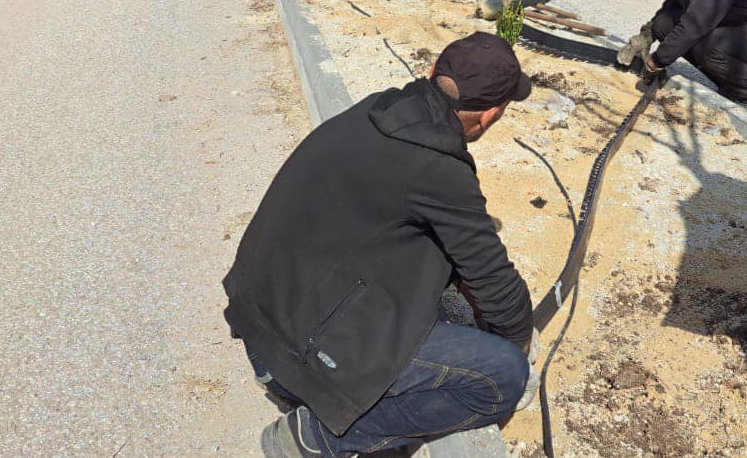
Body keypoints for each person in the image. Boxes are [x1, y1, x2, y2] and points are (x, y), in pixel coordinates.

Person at [224, 32, 538, 457]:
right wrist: (516, 338)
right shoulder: (439, 168)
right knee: (503, 376)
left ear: (432, 73)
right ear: (490, 116)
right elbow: (494, 283)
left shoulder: (379, 107)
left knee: (440, 285)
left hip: (259, 315)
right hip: (292, 355)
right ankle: (318, 439)